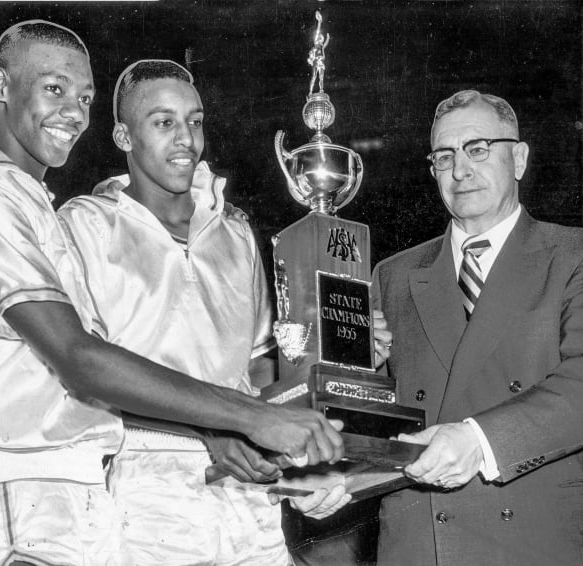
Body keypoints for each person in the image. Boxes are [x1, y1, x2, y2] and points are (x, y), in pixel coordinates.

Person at [0, 23, 347, 566]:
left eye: (84, 97)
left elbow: (255, 369)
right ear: (0, 85)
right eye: (54, 88)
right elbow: (81, 359)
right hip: (26, 482)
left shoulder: (31, 200)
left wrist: (337, 348)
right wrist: (243, 420)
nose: (73, 111)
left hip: (80, 484)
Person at [59, 59, 390, 566]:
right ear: (124, 136)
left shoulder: (235, 232)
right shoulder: (84, 224)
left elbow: (256, 369)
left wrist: (345, 349)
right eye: (163, 122)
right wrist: (210, 429)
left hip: (247, 491)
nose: (186, 139)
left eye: (194, 121)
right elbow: (84, 371)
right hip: (146, 493)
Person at [372, 89, 583, 566]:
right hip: (419, 545)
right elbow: (375, 422)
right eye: (444, 156)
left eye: (478, 149)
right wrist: (357, 366)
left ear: (519, 159)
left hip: (533, 542)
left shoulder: (573, 256)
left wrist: (478, 440)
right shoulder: (393, 275)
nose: (460, 170)